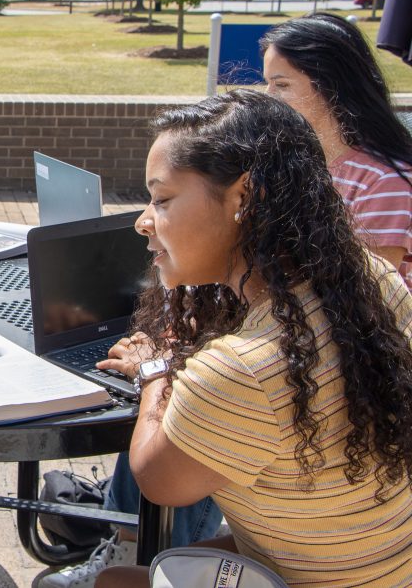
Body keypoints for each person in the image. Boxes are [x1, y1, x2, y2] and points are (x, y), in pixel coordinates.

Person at [91, 89, 412, 587]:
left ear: (243, 196)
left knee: (115, 582)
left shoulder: (243, 368)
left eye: (162, 199)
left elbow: (158, 480)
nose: (143, 220)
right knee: (180, 558)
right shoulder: (366, 279)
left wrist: (156, 366)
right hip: (385, 563)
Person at [261, 12, 412, 289]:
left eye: (281, 85)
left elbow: (371, 294)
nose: (268, 97)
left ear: (331, 85)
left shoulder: (384, 180)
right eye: (268, 83)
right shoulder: (296, 160)